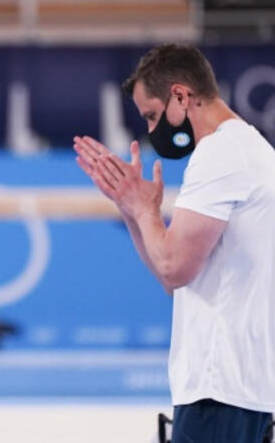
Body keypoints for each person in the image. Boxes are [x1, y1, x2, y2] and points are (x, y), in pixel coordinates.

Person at [74, 43, 275, 443]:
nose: (152, 132)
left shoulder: (219, 154)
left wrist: (144, 210)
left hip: (219, 388)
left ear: (181, 96)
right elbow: (175, 279)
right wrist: (133, 210)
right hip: (245, 388)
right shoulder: (251, 149)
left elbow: (173, 267)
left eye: (152, 116)